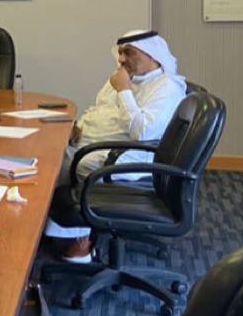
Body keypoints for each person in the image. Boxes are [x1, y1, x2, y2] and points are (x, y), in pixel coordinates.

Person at [44, 30, 187, 263]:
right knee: (48, 151)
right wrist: (78, 126)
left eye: (129, 53)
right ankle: (51, 225)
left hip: (129, 154)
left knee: (73, 163)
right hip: (97, 142)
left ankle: (81, 240)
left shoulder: (166, 87)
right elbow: (99, 109)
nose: (121, 59)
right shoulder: (122, 78)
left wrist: (124, 90)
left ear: (152, 55)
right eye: (120, 53)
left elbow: (142, 132)